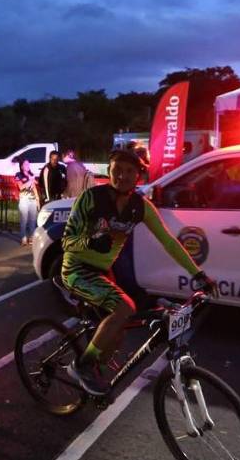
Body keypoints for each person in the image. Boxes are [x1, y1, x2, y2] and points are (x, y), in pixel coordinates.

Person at [62, 150, 216, 395]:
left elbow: (169, 242)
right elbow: (67, 241)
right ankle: (82, 366)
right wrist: (90, 242)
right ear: (109, 171)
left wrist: (197, 275)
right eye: (116, 170)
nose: (121, 176)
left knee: (118, 333)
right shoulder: (91, 198)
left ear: (139, 175)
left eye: (129, 171)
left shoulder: (140, 207)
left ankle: (92, 376)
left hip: (103, 271)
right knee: (125, 307)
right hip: (76, 269)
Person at [14, 156, 40, 245]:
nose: (28, 165)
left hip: (32, 200)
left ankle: (31, 237)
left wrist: (37, 199)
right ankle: (23, 238)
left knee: (33, 220)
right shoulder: (18, 175)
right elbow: (21, 187)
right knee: (24, 220)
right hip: (24, 200)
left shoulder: (31, 175)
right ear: (21, 166)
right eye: (25, 164)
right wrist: (30, 180)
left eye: (28, 164)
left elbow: (34, 187)